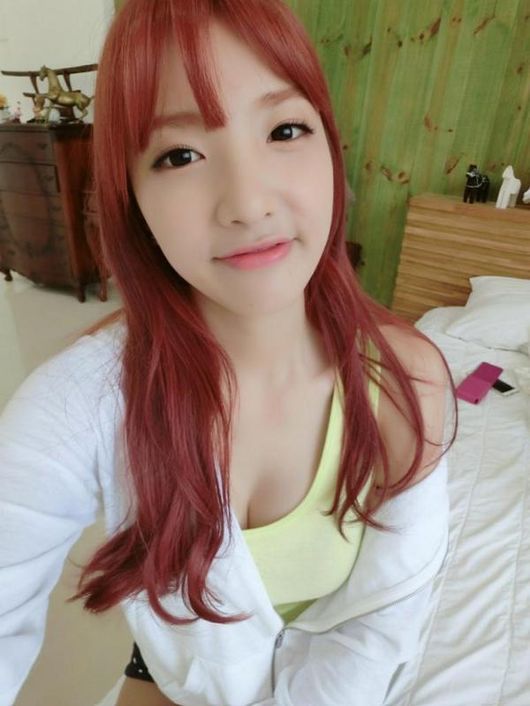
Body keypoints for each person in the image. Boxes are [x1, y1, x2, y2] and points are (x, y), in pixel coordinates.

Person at [0, 1, 457, 705]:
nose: (246, 203)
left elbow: (381, 621)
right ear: (132, 198)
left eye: (284, 129)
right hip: (173, 673)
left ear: (330, 149)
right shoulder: (79, 402)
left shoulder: (408, 384)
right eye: (179, 155)